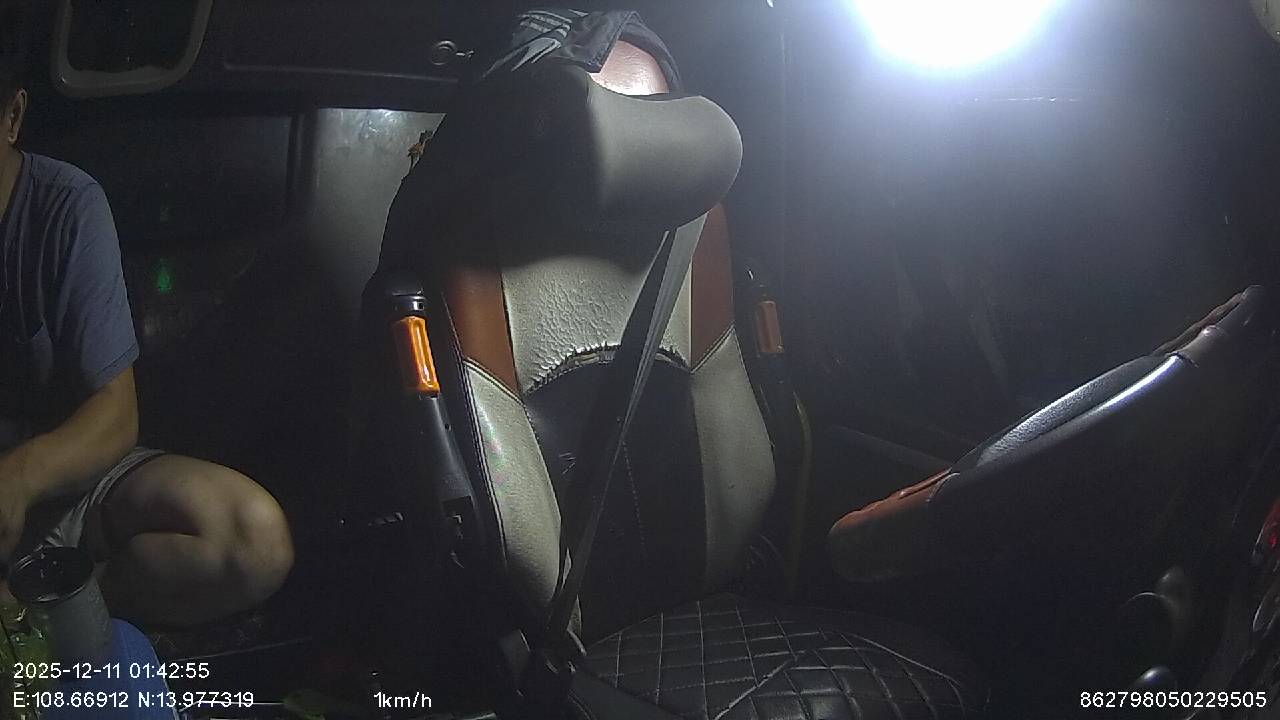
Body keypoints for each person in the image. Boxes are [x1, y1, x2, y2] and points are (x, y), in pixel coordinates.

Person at [0, 6, 293, 627]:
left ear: (13, 116)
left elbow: (115, 414)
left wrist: (21, 475)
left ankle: (58, 611)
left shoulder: (63, 207)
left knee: (251, 537)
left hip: (65, 488)